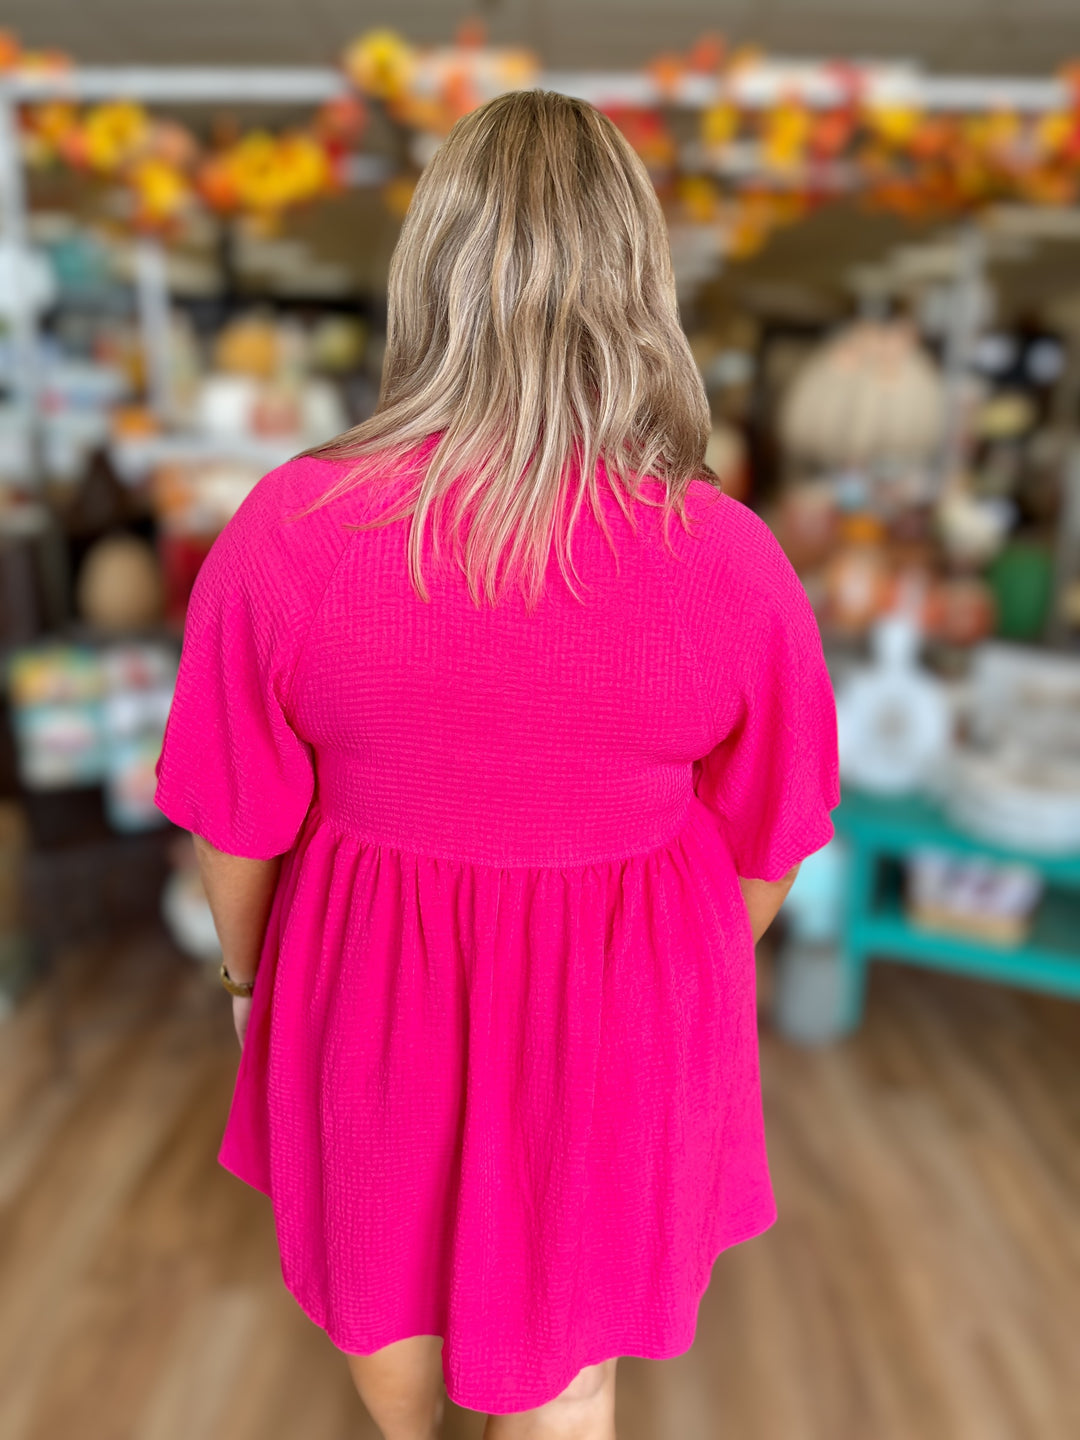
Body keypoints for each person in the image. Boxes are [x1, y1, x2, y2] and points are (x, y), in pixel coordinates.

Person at [153, 89, 841, 1440]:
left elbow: (234, 819)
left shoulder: (292, 530)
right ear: (639, 283)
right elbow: (774, 835)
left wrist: (250, 984)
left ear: (430, 274)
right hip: (628, 996)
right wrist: (681, 956)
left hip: (366, 978)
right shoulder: (727, 559)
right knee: (571, 1376)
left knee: (381, 1305)